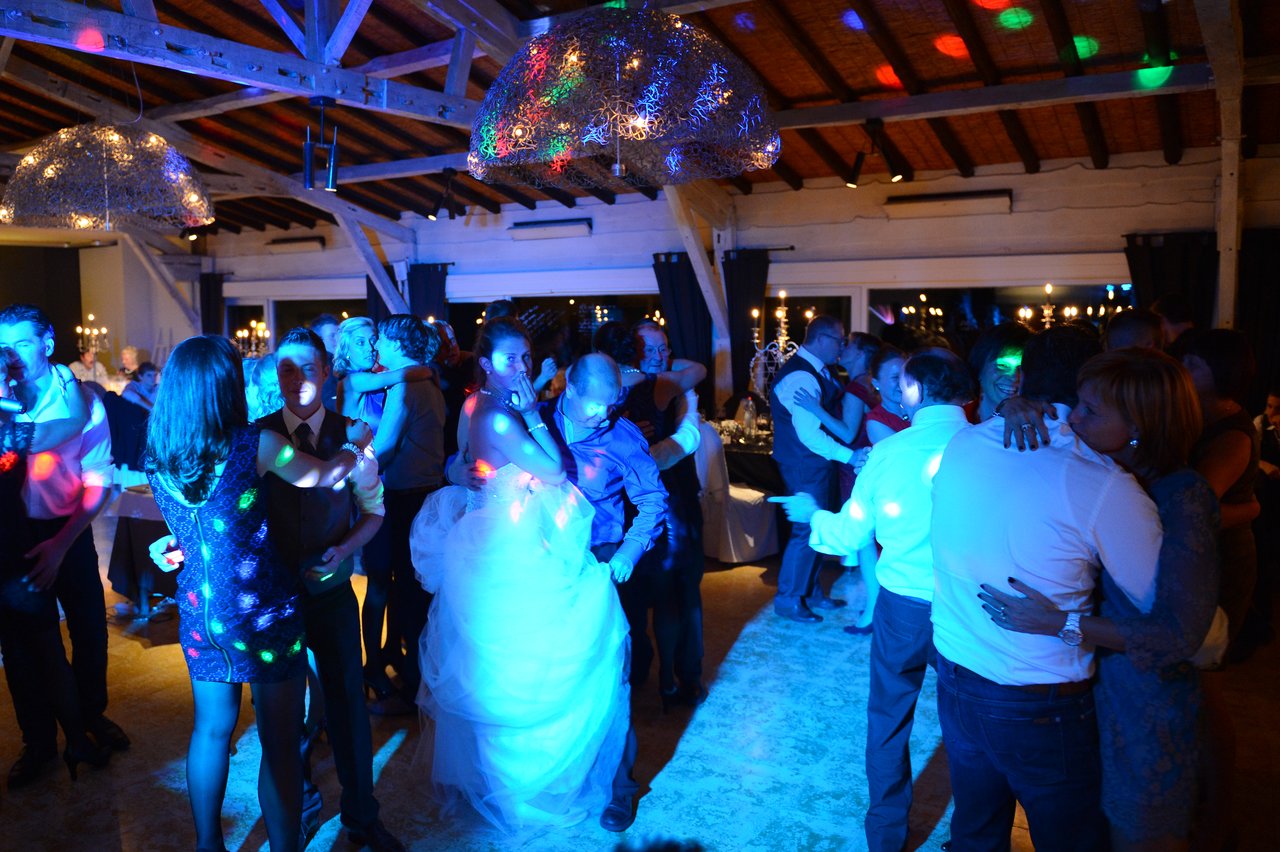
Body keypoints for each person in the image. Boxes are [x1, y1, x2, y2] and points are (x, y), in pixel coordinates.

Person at [930, 325, 1162, 852]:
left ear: (1027, 382)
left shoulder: (964, 443)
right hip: (1036, 696)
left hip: (956, 675)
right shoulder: (1097, 479)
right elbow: (1162, 610)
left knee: (974, 832)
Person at [978, 348, 1218, 850]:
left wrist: (1062, 624)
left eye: (1090, 410)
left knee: (1139, 830)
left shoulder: (1181, 493)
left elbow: (1180, 633)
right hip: (1094, 690)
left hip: (1144, 701)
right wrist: (1010, 407)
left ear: (1140, 425)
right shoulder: (1105, 466)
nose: (1074, 417)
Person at [145, 334, 371, 852]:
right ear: (227, 386)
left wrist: (171, 546)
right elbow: (323, 475)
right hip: (262, 611)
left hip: (202, 615)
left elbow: (198, 526)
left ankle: (208, 845)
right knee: (279, 742)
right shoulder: (256, 444)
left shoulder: (160, 454)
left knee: (210, 733)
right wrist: (356, 445)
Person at [408, 326, 636, 834]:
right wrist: (534, 415)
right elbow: (554, 471)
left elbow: (465, 461)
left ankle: (496, 778)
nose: (523, 367)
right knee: (521, 663)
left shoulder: (473, 405)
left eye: (527, 357)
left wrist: (453, 467)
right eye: (510, 358)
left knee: (490, 663)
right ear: (485, 362)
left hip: (486, 536)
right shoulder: (505, 415)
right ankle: (526, 785)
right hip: (508, 550)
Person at [774, 348, 974, 852]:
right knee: (968, 727)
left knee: (889, 720)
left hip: (904, 606)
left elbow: (847, 535)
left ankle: (885, 837)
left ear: (915, 391)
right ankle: (975, 835)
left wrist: (813, 514)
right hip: (967, 607)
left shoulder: (892, 452)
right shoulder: (987, 445)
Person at [256, 328, 404, 852]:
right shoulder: (260, 436)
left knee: (346, 705)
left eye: (307, 368)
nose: (296, 380)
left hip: (334, 594)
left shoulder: (353, 434)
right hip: (274, 601)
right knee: (283, 714)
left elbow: (375, 511)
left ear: (327, 373)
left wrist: (343, 552)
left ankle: (361, 816)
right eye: (286, 370)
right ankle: (293, 809)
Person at [0, 304, 127, 786]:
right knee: (22, 647)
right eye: (3, 345)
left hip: (68, 532)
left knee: (90, 631)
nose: (10, 355)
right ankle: (39, 743)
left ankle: (90, 718)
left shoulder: (83, 401)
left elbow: (97, 482)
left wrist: (60, 545)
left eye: (23, 343)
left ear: (48, 344)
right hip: (12, 540)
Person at [622, 321, 707, 710]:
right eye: (649, 348)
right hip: (648, 501)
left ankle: (677, 677)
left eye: (664, 348)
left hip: (671, 497)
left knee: (677, 591)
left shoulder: (667, 384)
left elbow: (695, 369)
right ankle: (658, 675)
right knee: (652, 592)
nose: (660, 356)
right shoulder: (627, 388)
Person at [366, 315, 446, 714]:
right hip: (427, 496)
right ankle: (409, 672)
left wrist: (342, 470)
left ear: (397, 343)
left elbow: (383, 450)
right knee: (413, 591)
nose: (376, 343)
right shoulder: (429, 382)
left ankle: (414, 687)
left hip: (405, 500)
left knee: (408, 594)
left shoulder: (404, 386)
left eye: (380, 336)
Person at [767, 315, 854, 623]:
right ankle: (788, 599)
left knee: (816, 526)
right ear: (820, 339)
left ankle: (810, 592)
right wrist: (848, 456)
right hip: (804, 463)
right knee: (805, 530)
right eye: (839, 340)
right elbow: (809, 435)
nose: (842, 347)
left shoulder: (818, 371)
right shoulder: (801, 377)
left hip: (813, 463)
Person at [332, 315, 434, 434]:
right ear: (346, 349)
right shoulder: (353, 381)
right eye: (360, 343)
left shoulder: (372, 377)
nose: (370, 348)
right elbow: (405, 374)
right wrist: (431, 372)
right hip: (360, 450)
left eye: (373, 340)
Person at [967, 321, 1031, 424]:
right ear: (980, 366)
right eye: (1003, 365)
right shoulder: (956, 417)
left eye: (1022, 367)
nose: (1015, 377)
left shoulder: (1042, 426)